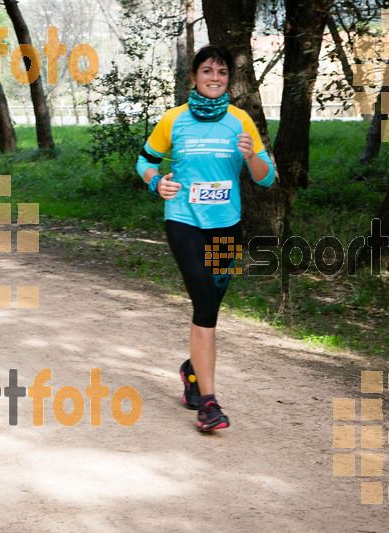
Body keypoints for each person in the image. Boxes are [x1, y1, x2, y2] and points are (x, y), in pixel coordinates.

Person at [136, 45, 274, 431]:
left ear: (229, 79)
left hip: (226, 226)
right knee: (205, 306)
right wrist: (155, 181)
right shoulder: (174, 120)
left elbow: (267, 177)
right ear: (194, 76)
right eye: (208, 71)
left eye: (223, 72)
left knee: (211, 303)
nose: (215, 78)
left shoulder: (240, 121)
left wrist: (251, 156)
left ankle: (191, 372)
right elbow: (144, 161)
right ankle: (209, 405)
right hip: (184, 221)